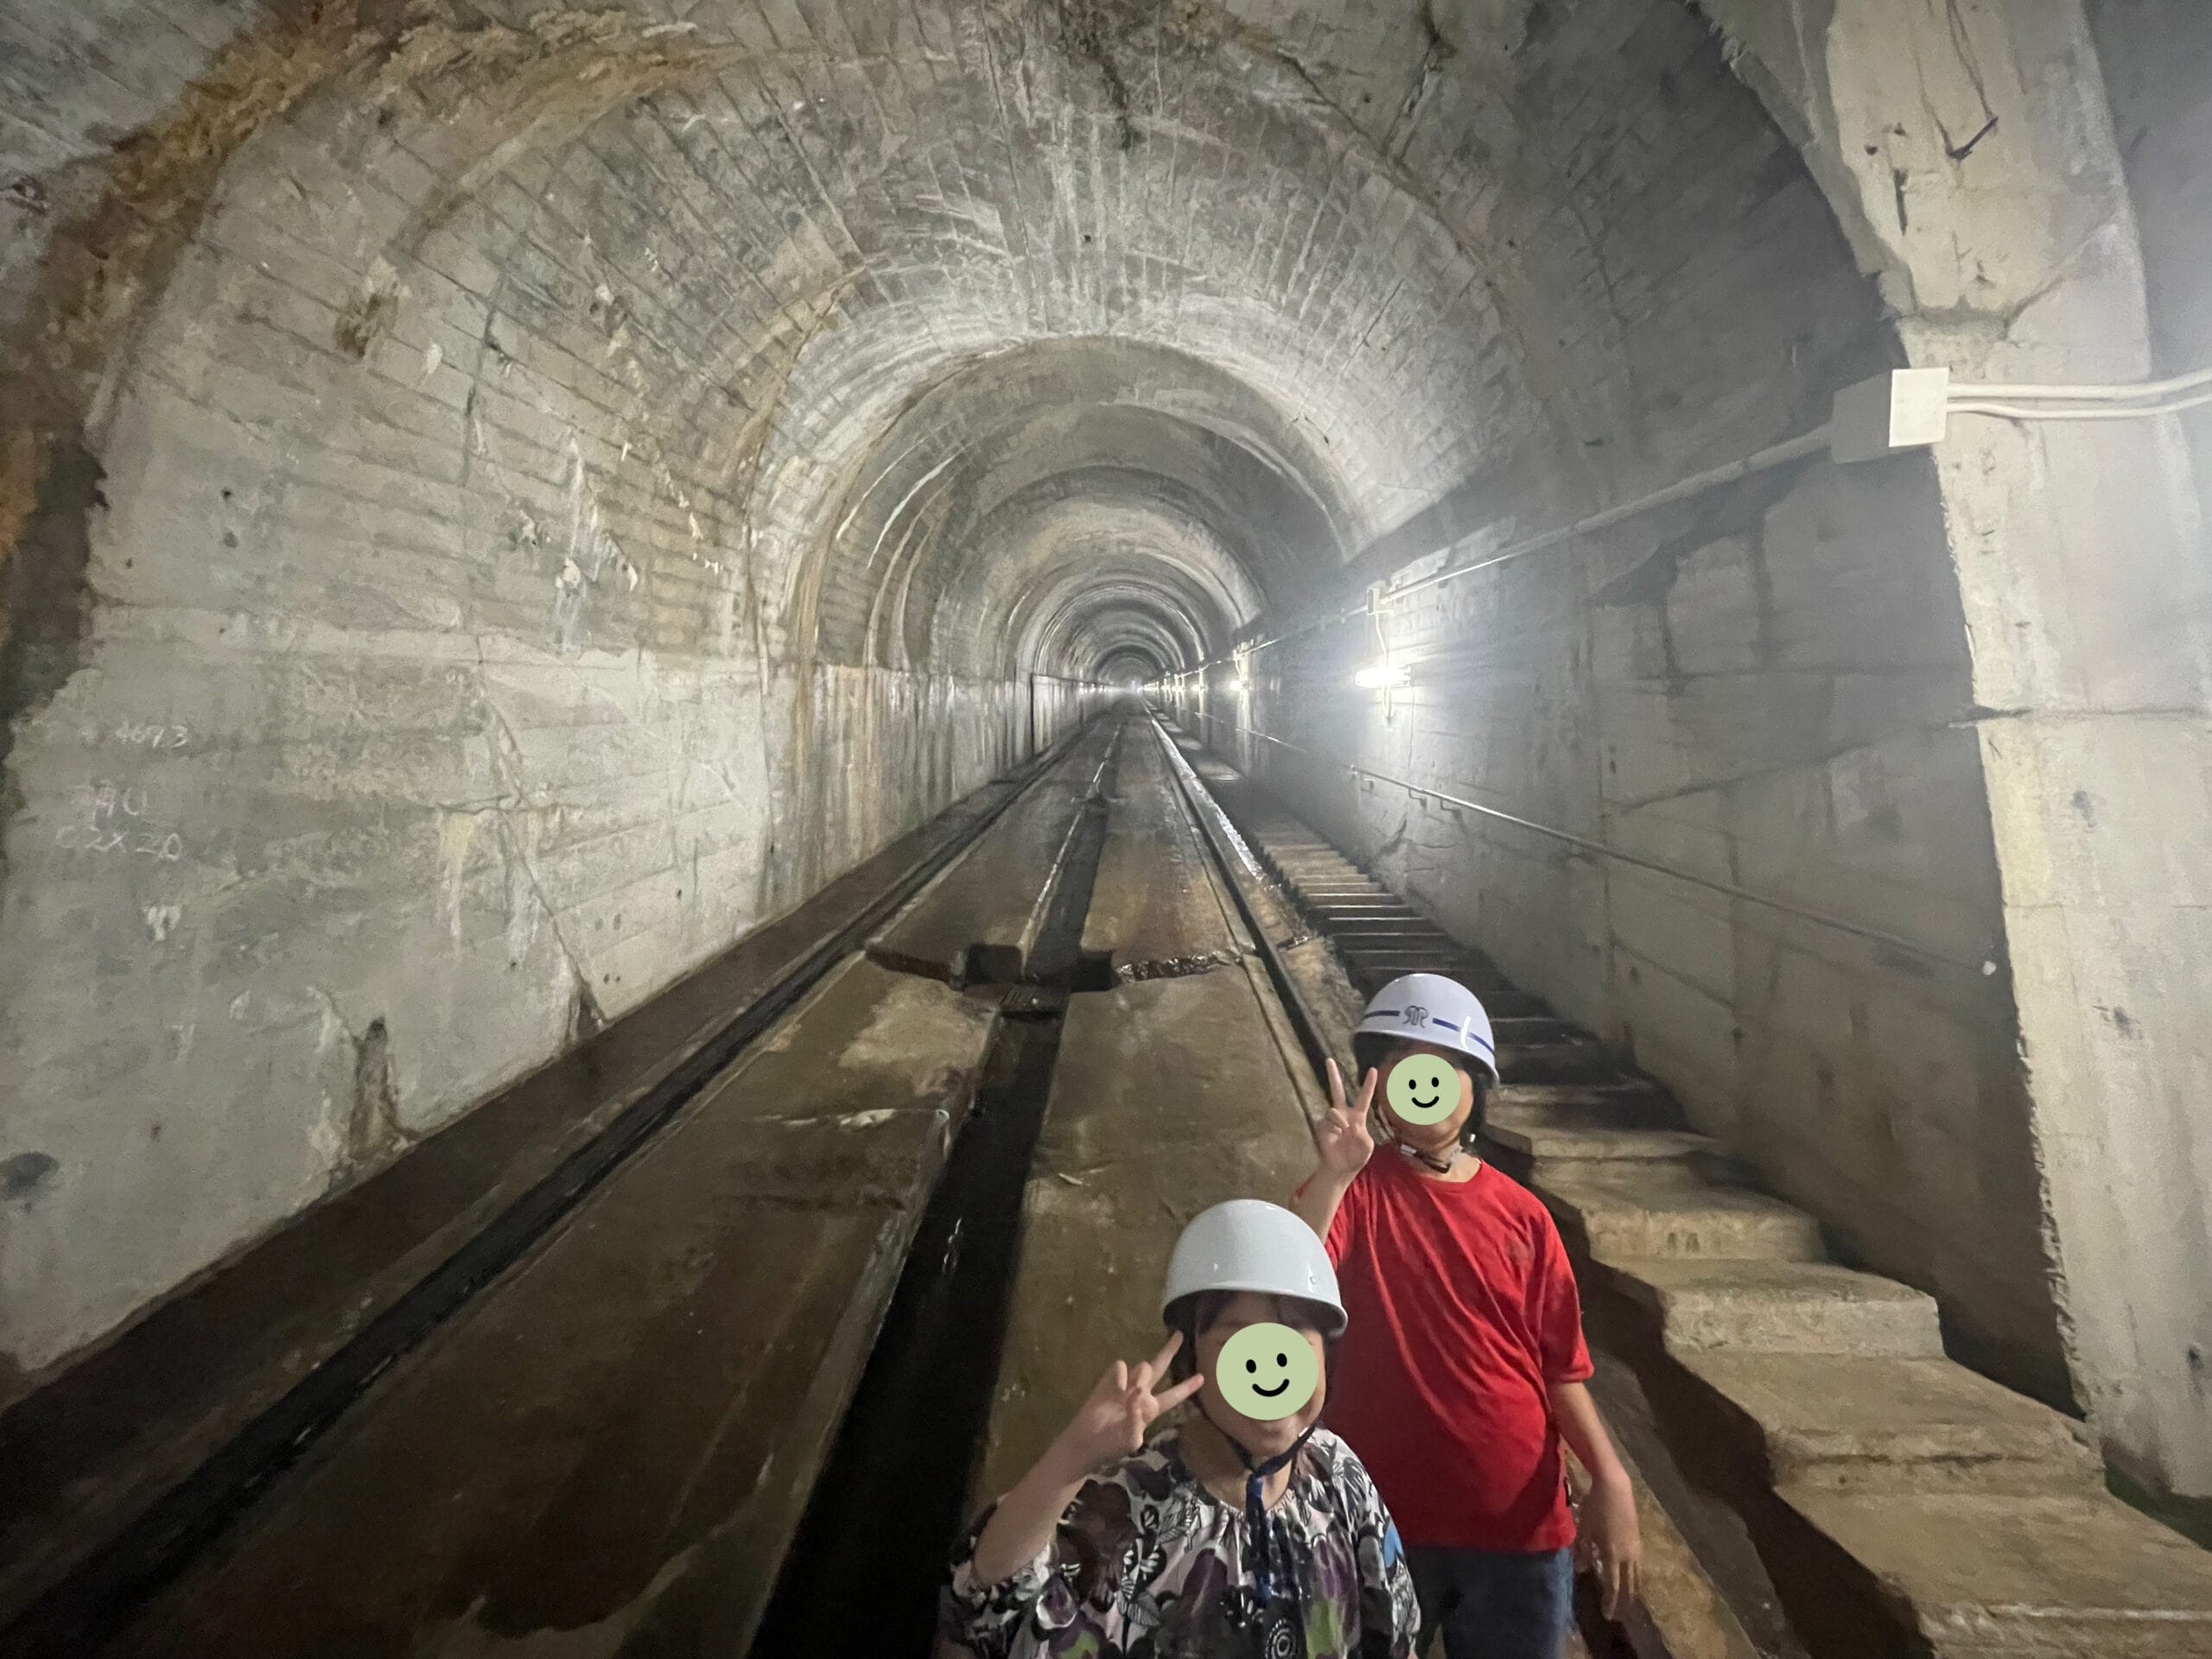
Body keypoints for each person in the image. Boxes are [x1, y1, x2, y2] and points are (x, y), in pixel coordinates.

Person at [1290, 974, 1642, 1659]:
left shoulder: (1524, 1216)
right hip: (1376, 1522)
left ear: (1472, 1085)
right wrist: (1334, 1173)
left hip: (1516, 1529)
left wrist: (1612, 1478)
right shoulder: (1353, 1194)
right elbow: (1289, 1285)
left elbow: (1560, 1369)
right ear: (1379, 1083)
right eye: (1401, 1064)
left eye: (1441, 1067)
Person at [939, 1199, 1421, 1659]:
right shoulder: (1128, 1505)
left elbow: (1397, 1639)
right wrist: (1070, 1459)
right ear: (1191, 1358)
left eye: (1294, 1337)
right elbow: (981, 1612)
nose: (1273, 1370)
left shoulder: (1337, 1473)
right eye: (1238, 1339)